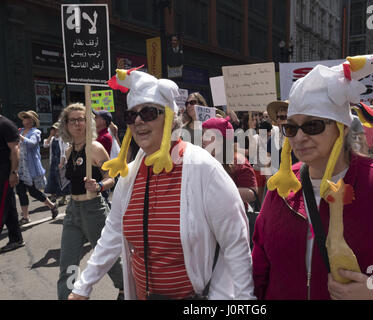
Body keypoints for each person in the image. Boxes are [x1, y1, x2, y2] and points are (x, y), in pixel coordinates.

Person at [252, 54, 373, 300]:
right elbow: (260, 258)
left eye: (313, 125)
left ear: (341, 128)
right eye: (291, 128)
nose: (299, 137)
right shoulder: (280, 188)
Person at [68, 68, 254, 300]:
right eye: (130, 115)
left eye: (147, 112)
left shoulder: (203, 168)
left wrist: (245, 299)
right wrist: (82, 287)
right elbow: (113, 232)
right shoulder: (131, 173)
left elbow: (235, 243)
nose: (137, 121)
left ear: (169, 117)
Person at [56, 103, 124, 300]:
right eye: (73, 120)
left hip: (93, 209)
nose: (77, 124)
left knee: (107, 259)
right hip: (72, 210)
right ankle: (69, 296)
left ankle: (125, 287)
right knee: (67, 263)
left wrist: (100, 186)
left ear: (88, 123)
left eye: (81, 119)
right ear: (66, 125)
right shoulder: (69, 151)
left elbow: (111, 178)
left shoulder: (94, 147)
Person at [16, 110, 58, 225]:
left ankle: (52, 206)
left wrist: (19, 137)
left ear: (33, 121)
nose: (26, 120)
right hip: (19, 167)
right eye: (25, 118)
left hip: (30, 168)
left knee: (33, 192)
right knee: (20, 192)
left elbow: (32, 143)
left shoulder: (36, 132)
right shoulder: (20, 131)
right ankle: (25, 216)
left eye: (29, 118)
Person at [0, 114, 25, 253]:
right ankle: (16, 239)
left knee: (2, 206)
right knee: (8, 207)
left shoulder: (6, 124)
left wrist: (14, 172)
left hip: (4, 172)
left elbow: (15, 150)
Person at [266, 100, 298, 173]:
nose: (279, 120)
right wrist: (270, 180)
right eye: (278, 117)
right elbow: (267, 164)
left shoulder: (298, 138)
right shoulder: (272, 139)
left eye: (283, 117)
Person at [43, 122, 70, 206]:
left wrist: (62, 163)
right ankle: (54, 195)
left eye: (56, 129)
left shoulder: (63, 139)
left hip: (61, 161)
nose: (55, 131)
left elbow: (64, 152)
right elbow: (45, 145)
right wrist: (50, 135)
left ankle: (64, 198)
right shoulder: (52, 139)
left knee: (62, 180)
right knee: (53, 179)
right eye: (53, 129)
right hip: (53, 162)